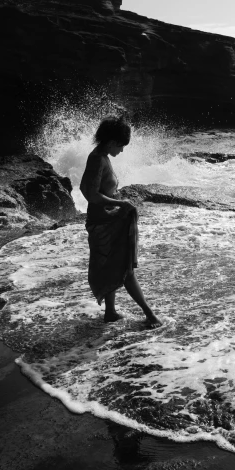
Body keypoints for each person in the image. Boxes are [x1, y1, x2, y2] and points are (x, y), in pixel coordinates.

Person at [80, 116, 162, 328]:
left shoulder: (102, 156)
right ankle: (150, 315)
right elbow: (89, 193)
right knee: (125, 270)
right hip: (103, 222)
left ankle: (110, 313)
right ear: (110, 141)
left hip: (108, 219)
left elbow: (93, 191)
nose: (122, 150)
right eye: (121, 145)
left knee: (111, 268)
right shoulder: (98, 158)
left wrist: (119, 206)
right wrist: (120, 203)